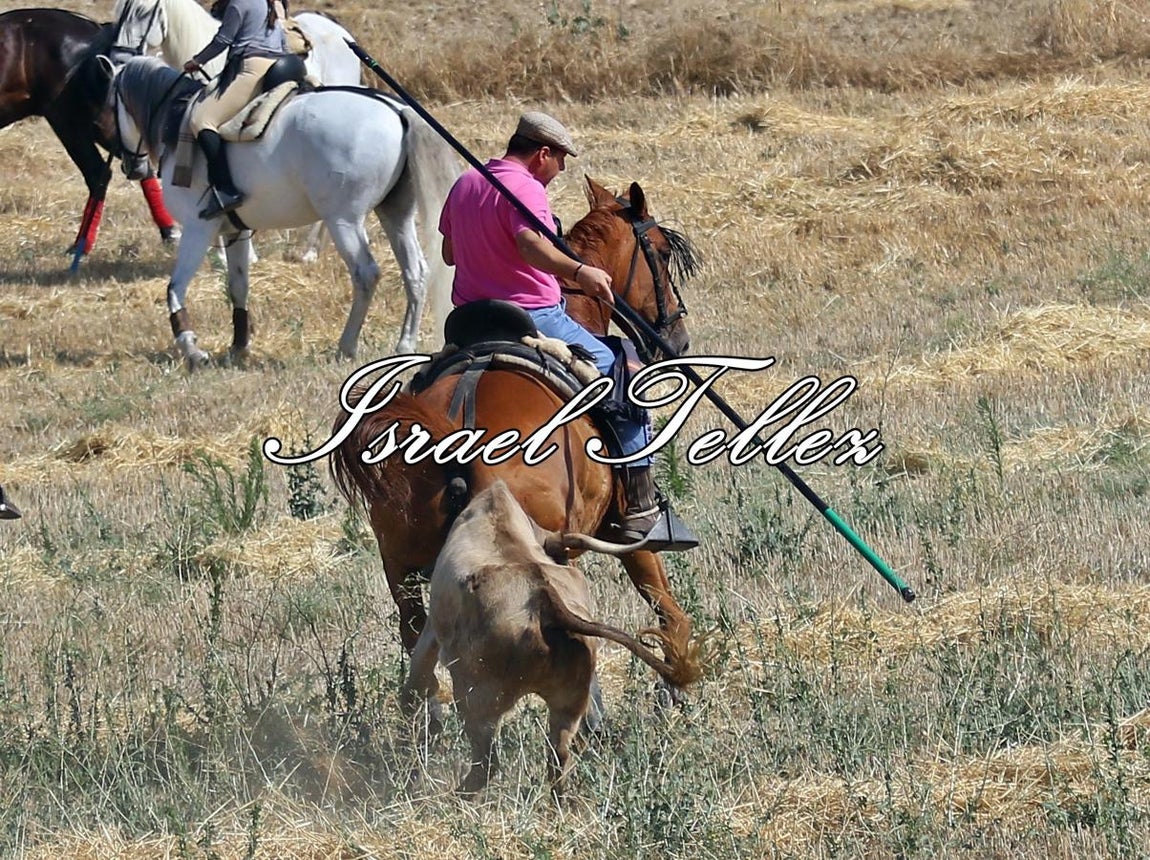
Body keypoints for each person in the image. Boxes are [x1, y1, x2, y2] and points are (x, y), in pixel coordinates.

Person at [438, 111, 672, 544]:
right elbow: (531, 246)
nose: (560, 170)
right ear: (542, 153)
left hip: (470, 321)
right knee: (626, 375)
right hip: (533, 316)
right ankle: (640, 508)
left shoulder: (466, 183)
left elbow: (450, 253)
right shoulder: (525, 187)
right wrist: (580, 272)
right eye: (560, 160)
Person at [182, 0, 288, 219]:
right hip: (281, 64)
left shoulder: (240, 2)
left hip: (252, 69)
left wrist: (196, 61)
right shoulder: (274, 3)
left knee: (201, 120)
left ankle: (225, 189)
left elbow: (223, 40)